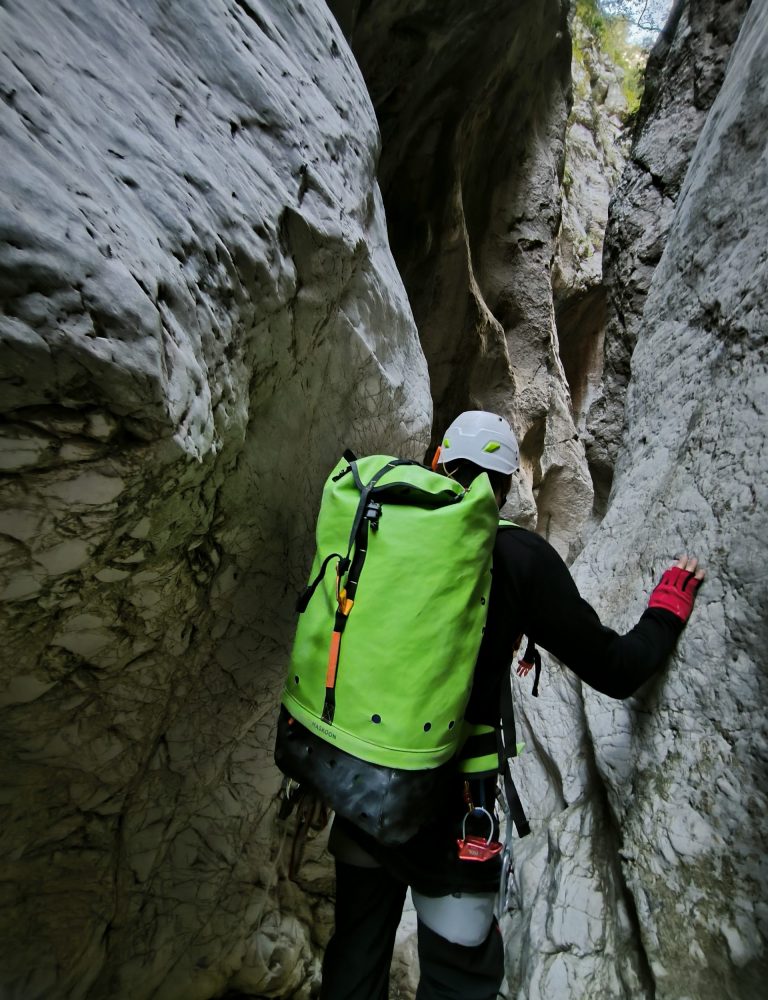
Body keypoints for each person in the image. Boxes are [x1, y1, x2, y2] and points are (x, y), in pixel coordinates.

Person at [319, 411, 705, 1000]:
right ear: (502, 489)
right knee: (459, 979)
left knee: (353, 959)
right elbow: (617, 670)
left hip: (360, 788)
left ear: (436, 463)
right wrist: (664, 613)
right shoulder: (519, 558)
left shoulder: (378, 529)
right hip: (454, 815)